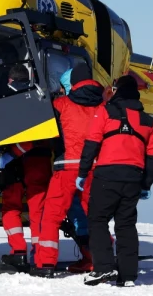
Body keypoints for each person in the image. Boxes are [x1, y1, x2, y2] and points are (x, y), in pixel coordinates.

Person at [78, 74, 153, 286]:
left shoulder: (105, 111)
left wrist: (82, 172)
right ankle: (128, 275)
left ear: (117, 90)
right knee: (126, 225)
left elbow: (91, 144)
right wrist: (146, 184)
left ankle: (104, 268)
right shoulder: (148, 121)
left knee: (97, 219)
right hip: (133, 177)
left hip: (107, 174)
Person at [37, 63, 105, 274]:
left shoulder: (61, 104)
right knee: (95, 217)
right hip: (94, 169)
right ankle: (102, 259)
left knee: (52, 216)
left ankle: (45, 263)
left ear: (72, 82)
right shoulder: (103, 107)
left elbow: (45, 131)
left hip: (66, 168)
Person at [0, 66, 52, 273]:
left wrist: (9, 154)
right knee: (38, 208)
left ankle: (18, 251)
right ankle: (39, 251)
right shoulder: (39, 98)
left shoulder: (5, 100)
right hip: (40, 159)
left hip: (16, 160)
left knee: (11, 207)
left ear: (10, 79)